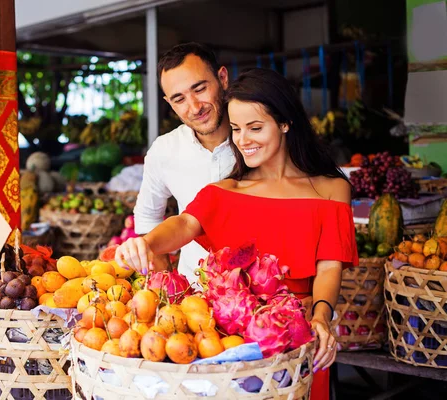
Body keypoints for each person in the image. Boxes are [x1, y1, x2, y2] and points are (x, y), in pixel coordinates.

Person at [117, 68, 358, 400]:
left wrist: (321, 317)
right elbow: (185, 224)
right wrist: (146, 242)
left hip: (299, 338)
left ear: (285, 123)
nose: (243, 140)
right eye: (236, 129)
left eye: (255, 128)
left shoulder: (332, 189)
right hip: (233, 344)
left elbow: (330, 266)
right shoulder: (223, 191)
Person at [134, 42, 235, 280]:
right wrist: (168, 285)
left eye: (199, 89)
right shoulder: (164, 150)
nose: (194, 107)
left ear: (222, 78)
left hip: (259, 300)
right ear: (169, 103)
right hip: (193, 298)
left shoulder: (257, 140)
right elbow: (148, 218)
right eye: (179, 99)